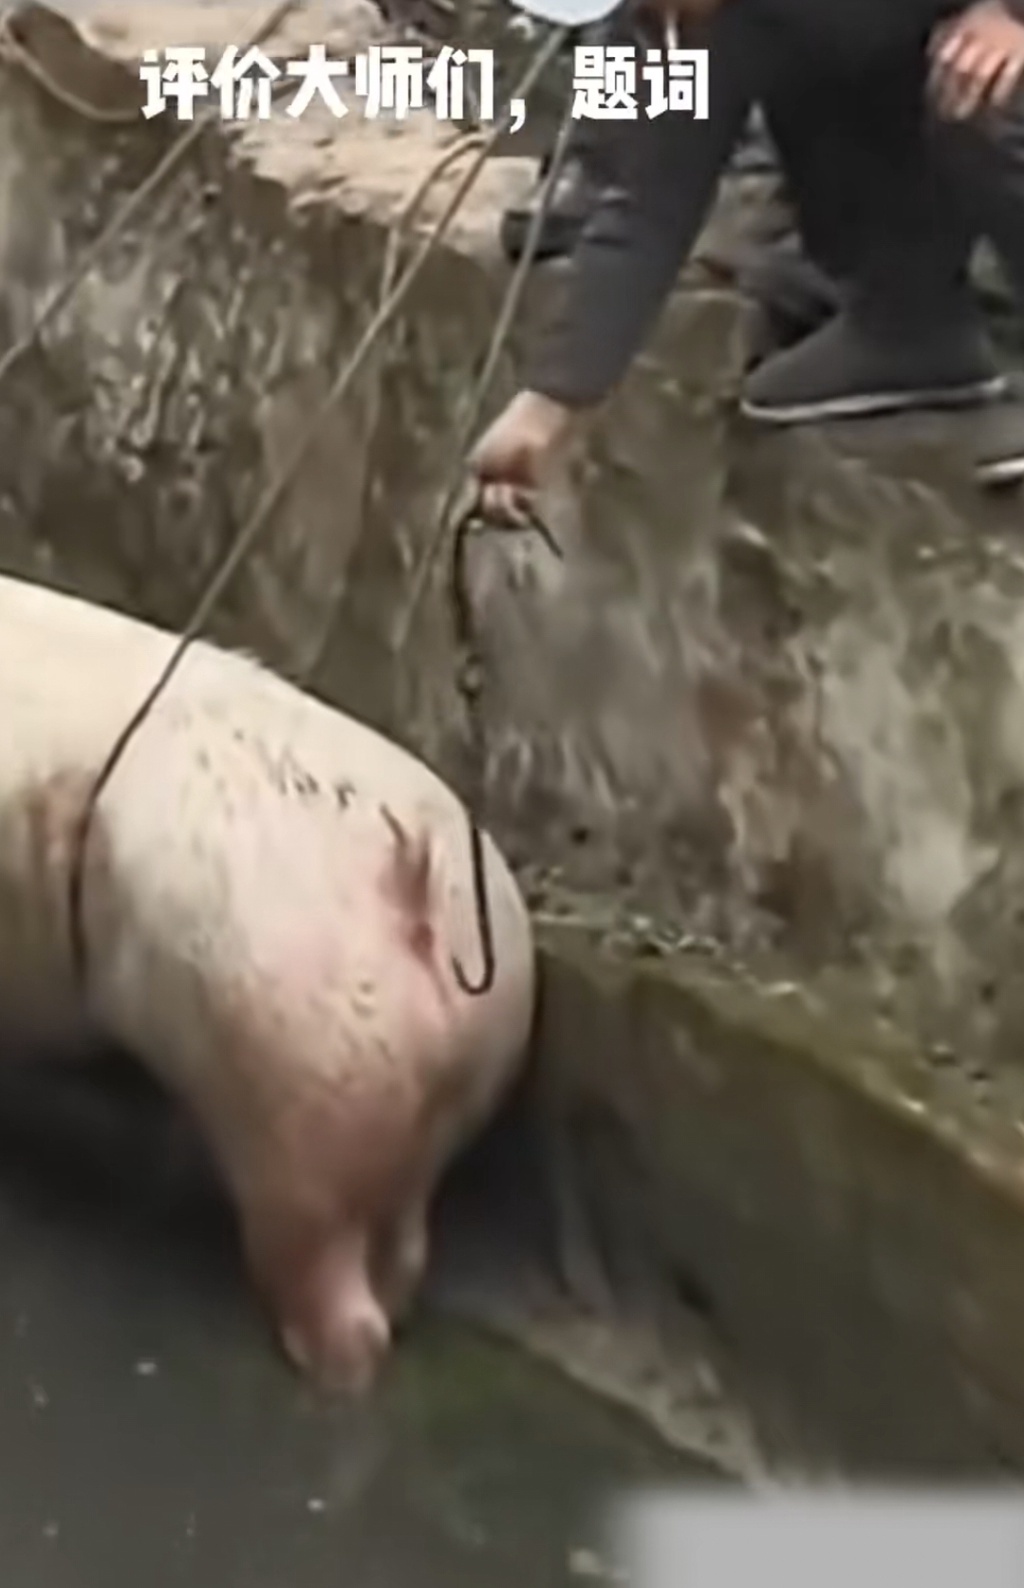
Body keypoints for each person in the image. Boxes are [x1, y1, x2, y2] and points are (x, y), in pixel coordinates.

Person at [474, 0, 1024, 518]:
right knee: (821, 75)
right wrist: (548, 407)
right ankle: (909, 323)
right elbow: (651, 207)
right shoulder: (709, 23)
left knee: (985, 76)